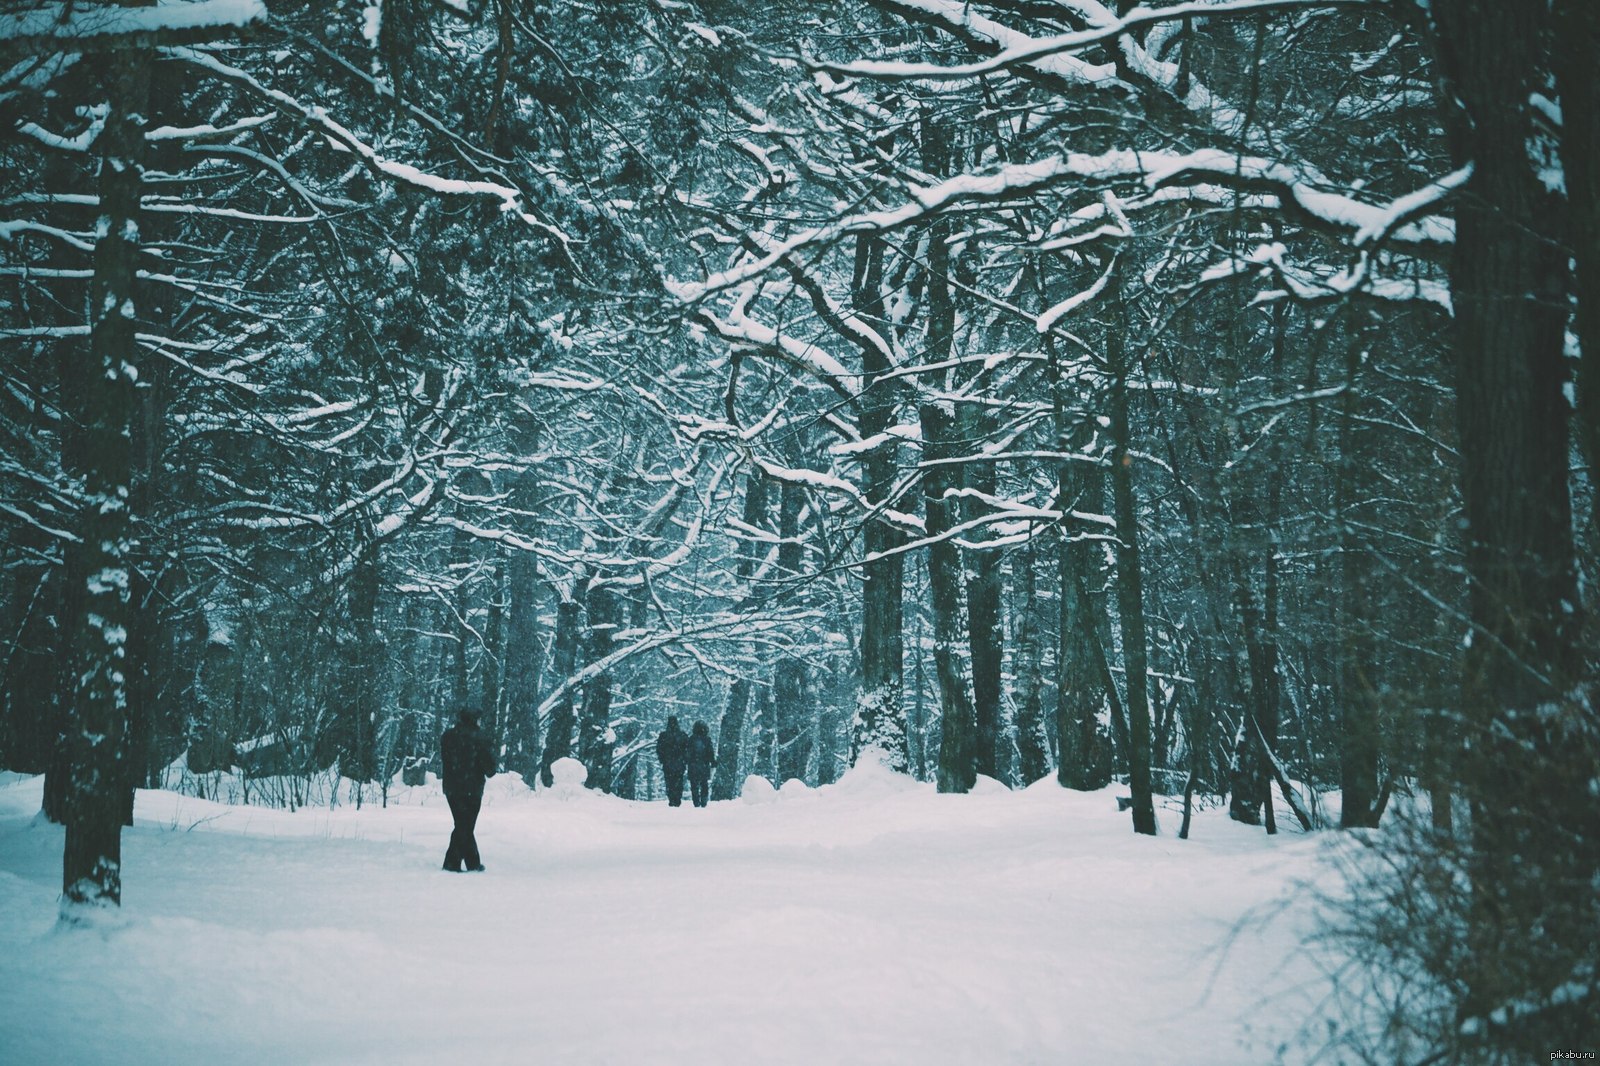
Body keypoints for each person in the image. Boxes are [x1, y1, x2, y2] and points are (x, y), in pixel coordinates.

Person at [441, 708, 495, 872]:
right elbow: (490, 768)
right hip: (472, 788)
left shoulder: (447, 736)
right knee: (465, 826)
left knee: (462, 824)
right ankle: (452, 864)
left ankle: (471, 863)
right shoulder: (480, 738)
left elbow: (446, 760)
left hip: (451, 788)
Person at [656, 715, 688, 807]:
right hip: (679, 763)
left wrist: (662, 759)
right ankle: (677, 798)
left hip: (668, 763)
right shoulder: (683, 735)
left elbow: (659, 749)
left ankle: (671, 798)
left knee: (669, 781)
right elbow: (687, 749)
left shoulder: (663, 735)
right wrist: (684, 760)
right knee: (679, 780)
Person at [686, 720, 716, 808]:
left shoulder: (691, 739)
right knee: (704, 783)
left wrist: (687, 761)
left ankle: (696, 802)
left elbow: (688, 752)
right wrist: (712, 762)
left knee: (694, 785)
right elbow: (710, 752)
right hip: (704, 764)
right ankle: (704, 801)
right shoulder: (707, 739)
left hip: (693, 765)